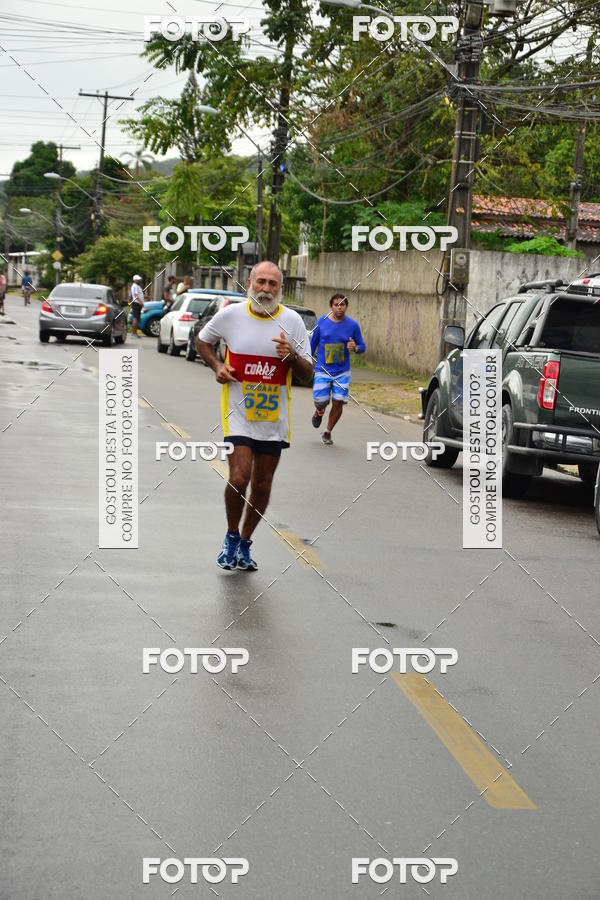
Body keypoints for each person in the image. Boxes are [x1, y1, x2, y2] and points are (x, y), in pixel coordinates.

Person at [197, 261, 313, 572]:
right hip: (238, 413)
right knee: (239, 476)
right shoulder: (231, 315)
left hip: (274, 417)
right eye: (260, 282)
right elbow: (203, 340)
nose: (265, 289)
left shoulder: (293, 322)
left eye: (272, 284)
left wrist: (292, 357)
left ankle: (245, 543)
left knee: (262, 484)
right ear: (250, 282)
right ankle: (231, 536)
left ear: (281, 289)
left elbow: (309, 373)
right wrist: (218, 366)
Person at [310, 293, 366, 444]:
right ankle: (320, 411)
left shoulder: (353, 325)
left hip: (342, 372)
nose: (339, 307)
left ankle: (327, 432)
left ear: (346, 306)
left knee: (338, 402)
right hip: (323, 369)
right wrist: (308, 359)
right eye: (336, 304)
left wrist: (355, 348)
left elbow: (362, 347)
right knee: (320, 400)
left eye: (342, 304)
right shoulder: (322, 321)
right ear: (331, 306)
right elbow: (312, 343)